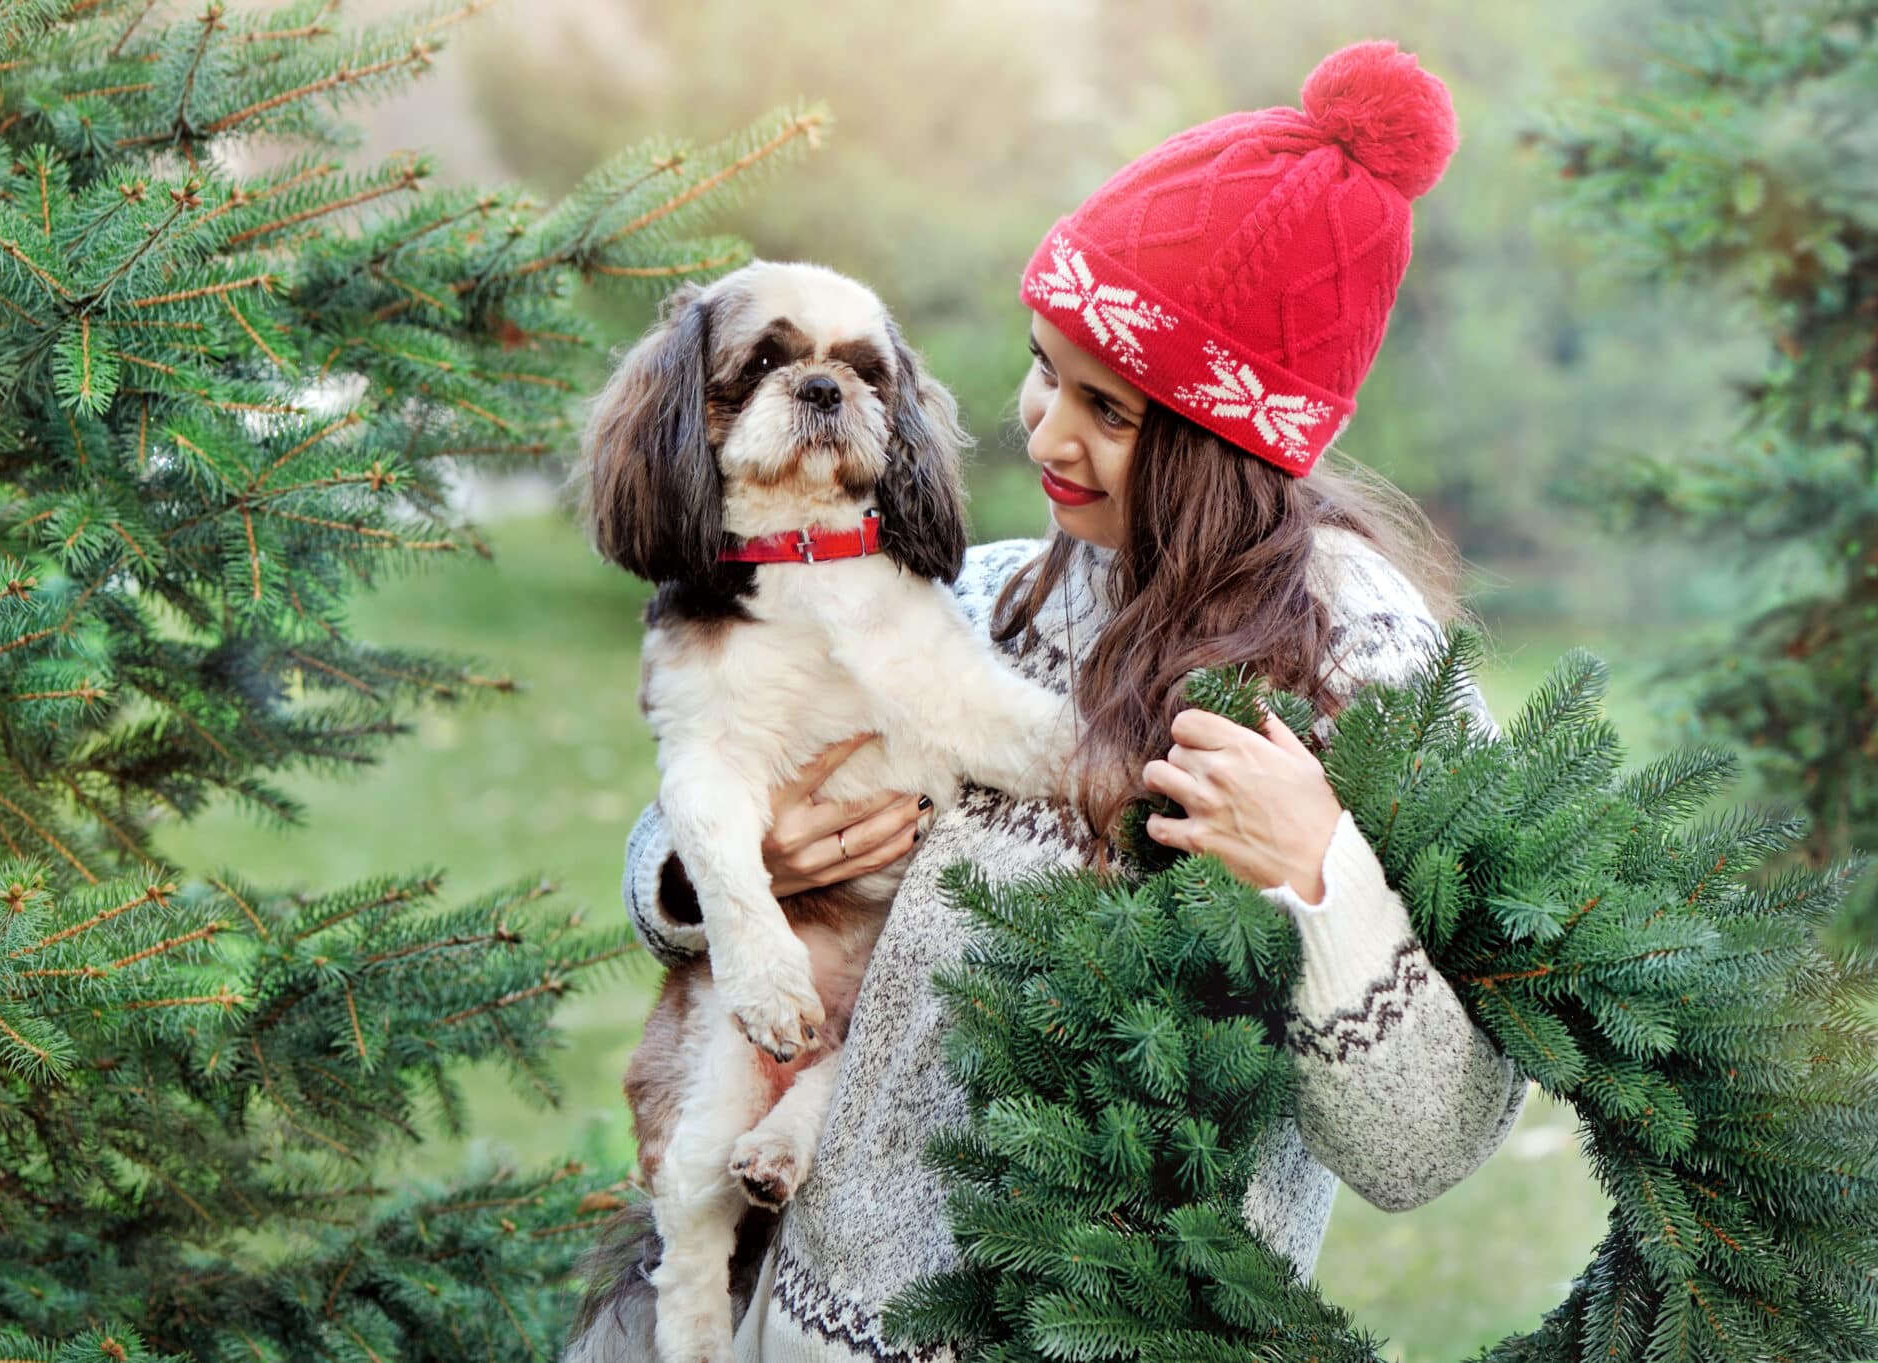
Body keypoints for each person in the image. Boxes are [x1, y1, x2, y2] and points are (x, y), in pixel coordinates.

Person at [613, 40, 1530, 1362]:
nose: (1042, 434)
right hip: (802, 1323)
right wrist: (712, 876)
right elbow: (706, 775)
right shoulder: (978, 597)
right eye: (1047, 368)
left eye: (1109, 408)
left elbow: (1423, 1144)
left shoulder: (1368, 690)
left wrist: (1323, 871)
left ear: (1230, 445)